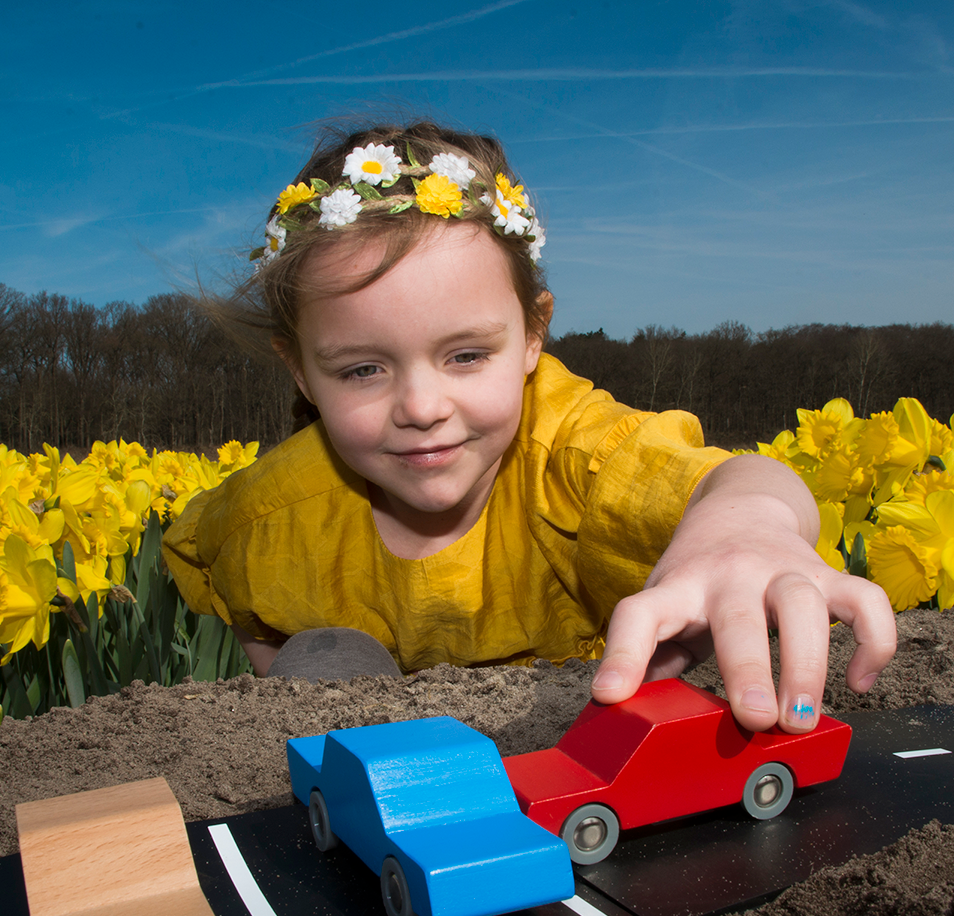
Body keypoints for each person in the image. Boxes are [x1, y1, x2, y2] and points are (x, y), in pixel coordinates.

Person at [163, 120, 896, 734]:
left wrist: (743, 528)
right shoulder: (271, 517)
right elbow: (237, 591)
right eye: (362, 370)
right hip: (404, 779)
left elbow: (734, 478)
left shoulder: (570, 451)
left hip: (589, 731)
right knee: (320, 657)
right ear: (299, 371)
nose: (421, 407)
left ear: (532, 335)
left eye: (466, 355)